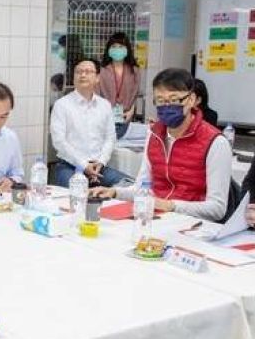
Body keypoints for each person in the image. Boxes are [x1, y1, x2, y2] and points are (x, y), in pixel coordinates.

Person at [94, 68, 231, 221]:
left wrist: (170, 205)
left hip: (194, 224)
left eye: (174, 99)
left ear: (191, 99)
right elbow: (142, 188)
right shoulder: (154, 134)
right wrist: (114, 192)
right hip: (156, 218)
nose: (167, 106)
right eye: (160, 100)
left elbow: (217, 208)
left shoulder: (216, 142)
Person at [50, 58, 125, 188]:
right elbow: (59, 142)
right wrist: (84, 165)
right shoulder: (61, 105)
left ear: (97, 78)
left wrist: (101, 162)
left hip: (99, 167)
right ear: (73, 77)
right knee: (77, 192)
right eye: (79, 72)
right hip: (70, 166)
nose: (83, 75)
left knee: (129, 185)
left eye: (88, 71)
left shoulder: (105, 105)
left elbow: (110, 138)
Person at [98, 32, 141, 138]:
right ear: (108, 49)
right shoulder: (101, 70)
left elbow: (135, 94)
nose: (117, 49)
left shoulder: (134, 70)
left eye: (121, 46)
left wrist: (131, 111)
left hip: (125, 116)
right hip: (104, 118)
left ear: (127, 49)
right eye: (114, 46)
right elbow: (96, 95)